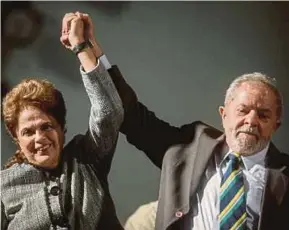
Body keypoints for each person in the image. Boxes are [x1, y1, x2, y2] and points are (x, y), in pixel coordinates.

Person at [72, 13, 289, 230]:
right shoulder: (190, 145)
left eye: (263, 115)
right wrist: (86, 49)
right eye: (243, 110)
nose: (251, 120)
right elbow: (130, 115)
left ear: (276, 125)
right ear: (224, 114)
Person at [1, 13, 124, 230]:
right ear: (16, 139)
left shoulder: (86, 159)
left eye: (47, 126)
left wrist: (81, 47)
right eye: (28, 132)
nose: (40, 137)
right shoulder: (4, 187)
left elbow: (108, 112)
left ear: (62, 129)